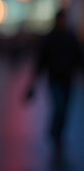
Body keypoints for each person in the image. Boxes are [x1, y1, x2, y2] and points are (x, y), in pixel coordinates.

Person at [28, 9, 83, 152]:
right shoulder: (50, 39)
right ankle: (55, 134)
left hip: (68, 80)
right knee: (59, 107)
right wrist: (33, 82)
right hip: (55, 80)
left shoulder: (70, 38)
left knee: (65, 109)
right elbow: (41, 61)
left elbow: (78, 58)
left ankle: (57, 135)